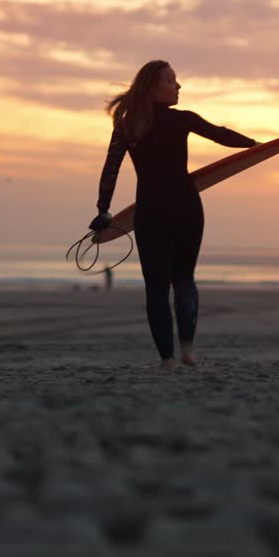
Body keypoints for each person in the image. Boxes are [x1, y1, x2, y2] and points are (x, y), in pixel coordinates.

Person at [91, 60, 257, 368]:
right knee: (184, 279)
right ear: (154, 88)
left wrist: (103, 211)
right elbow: (221, 135)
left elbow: (110, 171)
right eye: (172, 81)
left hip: (151, 211)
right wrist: (259, 145)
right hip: (185, 207)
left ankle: (167, 359)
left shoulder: (127, 126)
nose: (178, 86)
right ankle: (188, 352)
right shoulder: (183, 120)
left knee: (156, 286)